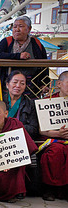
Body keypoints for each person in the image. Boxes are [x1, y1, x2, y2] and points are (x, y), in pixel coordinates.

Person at [0, 100, 38, 202]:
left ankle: (14, 193)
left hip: (12, 162)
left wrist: (9, 162)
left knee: (15, 168)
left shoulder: (15, 124)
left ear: (6, 113)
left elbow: (23, 147)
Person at [0, 16, 49, 98]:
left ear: (29, 28)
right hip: (7, 87)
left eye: (21, 26)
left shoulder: (36, 43)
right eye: (14, 27)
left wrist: (44, 84)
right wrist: (18, 56)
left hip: (31, 88)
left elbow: (44, 65)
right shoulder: (6, 41)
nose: (17, 29)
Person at [38, 71, 68, 201]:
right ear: (59, 84)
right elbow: (41, 130)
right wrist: (58, 134)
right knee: (55, 152)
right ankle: (50, 188)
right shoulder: (47, 102)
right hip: (53, 139)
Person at [3, 70, 40, 139]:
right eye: (15, 82)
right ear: (7, 84)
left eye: (22, 83)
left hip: (20, 140)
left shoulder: (30, 104)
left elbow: (34, 130)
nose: (18, 86)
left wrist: (15, 126)